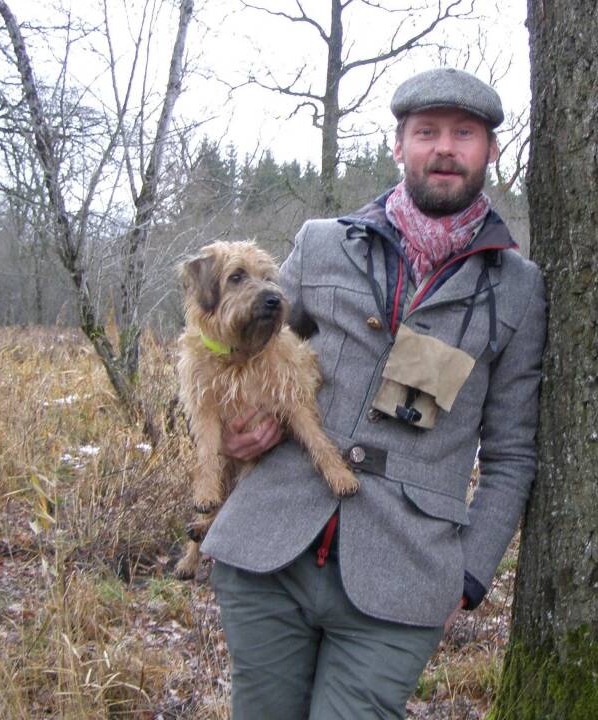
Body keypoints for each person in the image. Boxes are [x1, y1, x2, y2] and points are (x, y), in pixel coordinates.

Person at [199, 67, 547, 719]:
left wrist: (469, 575)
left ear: (490, 150)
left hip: (405, 577)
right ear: (399, 146)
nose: (445, 148)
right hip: (270, 547)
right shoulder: (322, 243)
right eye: (427, 132)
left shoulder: (518, 288)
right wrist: (233, 424)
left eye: (464, 134)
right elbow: (236, 350)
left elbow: (512, 455)